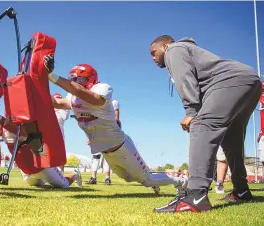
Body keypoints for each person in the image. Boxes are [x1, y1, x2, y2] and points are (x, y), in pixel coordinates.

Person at [44, 56, 187, 196]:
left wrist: (52, 75)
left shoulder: (101, 89)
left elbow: (85, 94)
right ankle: (157, 182)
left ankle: (181, 181)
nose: (75, 82)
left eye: (79, 79)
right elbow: (55, 103)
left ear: (91, 79)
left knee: (147, 179)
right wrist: (39, 80)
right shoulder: (73, 97)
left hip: (122, 147)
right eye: (73, 79)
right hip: (107, 153)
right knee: (129, 178)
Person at [150, 35, 262, 213]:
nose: (153, 58)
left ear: (164, 46)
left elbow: (185, 78)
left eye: (153, 53)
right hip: (249, 81)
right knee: (232, 141)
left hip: (231, 81)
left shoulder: (174, 50)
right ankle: (241, 190)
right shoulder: (187, 50)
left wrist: (191, 112)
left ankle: (195, 196)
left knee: (202, 125)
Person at [0, 115, 82, 188]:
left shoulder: (24, 120)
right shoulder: (4, 123)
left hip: (41, 166)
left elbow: (22, 131)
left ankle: (75, 173)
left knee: (64, 185)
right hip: (26, 170)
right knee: (37, 184)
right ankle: (52, 175)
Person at [86, 99, 120, 185]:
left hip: (109, 131)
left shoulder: (114, 102)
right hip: (97, 131)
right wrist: (90, 136)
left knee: (106, 156)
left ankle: (107, 178)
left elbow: (117, 119)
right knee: (96, 156)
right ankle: (94, 177)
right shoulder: (96, 104)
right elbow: (92, 120)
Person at [53, 93, 70, 173]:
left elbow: (64, 117)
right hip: (48, 133)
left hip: (59, 134)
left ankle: (61, 173)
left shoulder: (64, 110)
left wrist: (58, 108)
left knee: (60, 154)